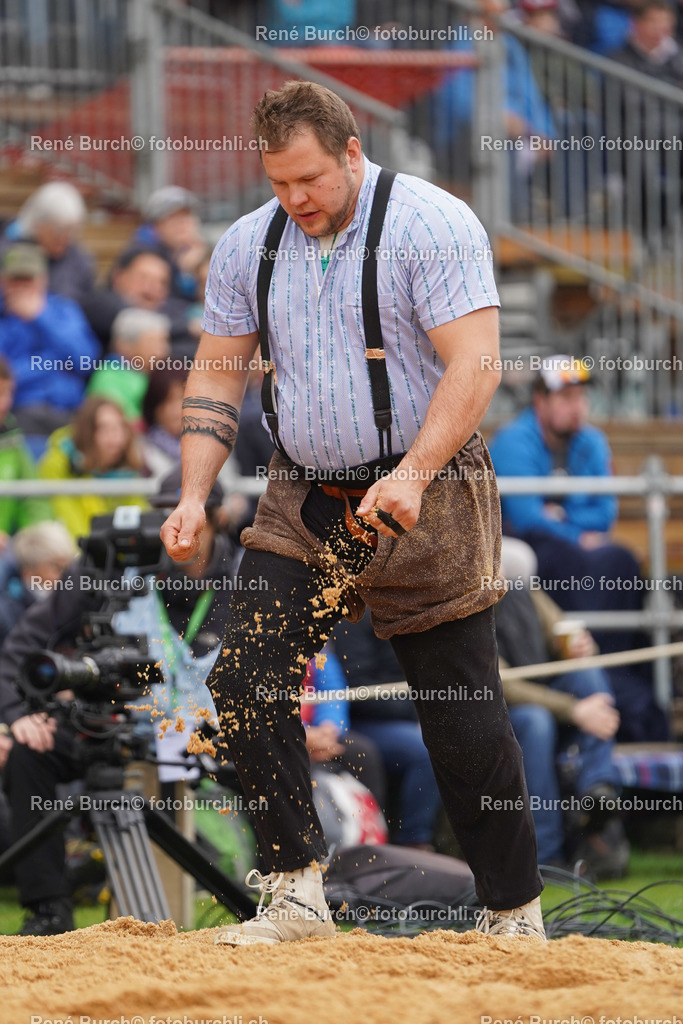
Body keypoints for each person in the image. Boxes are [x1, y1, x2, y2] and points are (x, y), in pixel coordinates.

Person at [160, 80, 546, 946]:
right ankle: (296, 893)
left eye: (310, 181)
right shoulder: (246, 245)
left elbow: (476, 365)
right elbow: (217, 375)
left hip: (427, 492)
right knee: (243, 679)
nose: (296, 199)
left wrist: (412, 472)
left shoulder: (433, 223)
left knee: (459, 711)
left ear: (350, 151)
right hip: (305, 495)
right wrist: (192, 491)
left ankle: (512, 913)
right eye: (278, 183)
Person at [0, 470, 236, 935]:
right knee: (31, 751)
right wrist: (18, 714)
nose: (178, 527)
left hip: (212, 731)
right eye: (166, 514)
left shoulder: (251, 577)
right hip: (114, 723)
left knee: (273, 754)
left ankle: (283, 894)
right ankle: (48, 908)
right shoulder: (109, 564)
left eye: (191, 515)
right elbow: (22, 650)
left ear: (218, 519)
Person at [488, 354, 668, 742]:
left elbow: (603, 512)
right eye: (566, 396)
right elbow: (527, 516)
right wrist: (572, 525)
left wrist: (562, 517)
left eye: (581, 396)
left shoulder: (591, 439)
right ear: (541, 401)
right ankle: (574, 656)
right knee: (561, 554)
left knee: (620, 558)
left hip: (574, 549)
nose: (577, 406)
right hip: (535, 553)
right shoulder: (513, 440)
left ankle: (611, 663)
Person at [495, 538, 624, 874]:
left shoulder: (527, 593)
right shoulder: (469, 608)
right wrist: (574, 710)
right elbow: (502, 685)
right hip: (498, 712)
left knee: (587, 673)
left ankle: (598, 787)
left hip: (544, 699)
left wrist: (581, 646)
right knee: (537, 722)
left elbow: (561, 631)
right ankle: (547, 853)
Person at [0, 244, 100, 437]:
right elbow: (7, 376)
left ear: (43, 280)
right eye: (15, 280)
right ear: (3, 282)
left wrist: (41, 316)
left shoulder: (65, 311)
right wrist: (54, 361)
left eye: (28, 279)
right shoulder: (3, 321)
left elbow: (86, 361)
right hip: (21, 414)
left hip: (70, 412)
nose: (22, 287)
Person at [38, 397, 148, 540]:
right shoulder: (59, 465)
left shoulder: (128, 472)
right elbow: (70, 522)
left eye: (120, 428)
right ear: (87, 432)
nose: (115, 438)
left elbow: (140, 516)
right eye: (104, 429)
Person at [80, 248, 194, 356]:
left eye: (162, 282)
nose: (152, 289)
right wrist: (187, 328)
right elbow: (128, 319)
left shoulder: (173, 311)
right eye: (143, 278)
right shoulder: (99, 304)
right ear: (118, 277)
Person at [4, 182, 95, 305]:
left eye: (72, 231)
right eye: (58, 231)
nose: (65, 239)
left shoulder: (80, 261)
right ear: (37, 224)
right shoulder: (9, 252)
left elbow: (85, 307)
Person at [0, 521, 77, 649]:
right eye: (57, 568)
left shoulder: (71, 606)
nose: (65, 577)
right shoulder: (7, 615)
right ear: (29, 572)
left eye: (68, 569)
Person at [0, 357, 51, 549]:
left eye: (8, 393)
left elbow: (34, 500)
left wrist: (35, 539)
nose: (5, 403)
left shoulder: (12, 439)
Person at [86, 308, 171, 422]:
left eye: (164, 342)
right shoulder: (109, 378)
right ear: (126, 345)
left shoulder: (155, 375)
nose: (164, 350)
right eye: (153, 343)